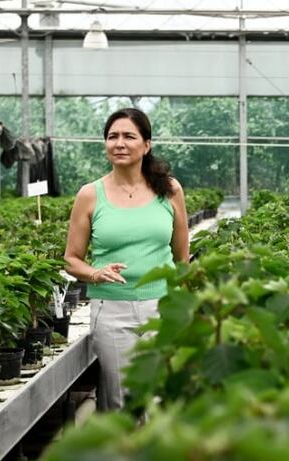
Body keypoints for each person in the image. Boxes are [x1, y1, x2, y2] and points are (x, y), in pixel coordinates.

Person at [64, 107, 189, 411]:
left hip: (161, 307)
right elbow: (71, 259)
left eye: (129, 136)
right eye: (112, 136)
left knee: (162, 399)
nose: (119, 143)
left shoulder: (170, 190)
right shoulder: (90, 195)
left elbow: (182, 258)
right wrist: (95, 273)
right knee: (122, 400)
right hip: (112, 310)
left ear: (146, 145)